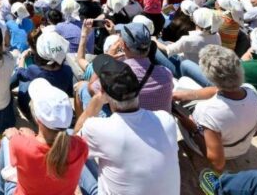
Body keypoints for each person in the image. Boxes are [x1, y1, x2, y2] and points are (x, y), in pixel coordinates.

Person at [76, 54, 180, 195]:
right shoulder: (166, 120)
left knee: (68, 138)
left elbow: (71, 144)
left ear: (104, 93)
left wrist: (92, 107)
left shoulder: (99, 129)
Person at [172, 45, 257, 173]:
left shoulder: (208, 111)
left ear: (211, 78)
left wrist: (193, 129)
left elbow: (218, 163)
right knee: (185, 83)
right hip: (241, 146)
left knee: (180, 88)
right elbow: (219, 90)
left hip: (224, 152)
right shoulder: (251, 90)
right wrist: (188, 95)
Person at [0, 79, 88, 195]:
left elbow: (29, 153)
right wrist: (31, 138)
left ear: (37, 118)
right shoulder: (82, 146)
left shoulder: (20, 144)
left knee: (6, 140)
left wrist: (18, 136)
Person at [12, 30, 74, 122]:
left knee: (21, 77)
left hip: (34, 111)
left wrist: (23, 57)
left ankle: (5, 89)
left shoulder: (34, 70)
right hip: (55, 108)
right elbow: (69, 92)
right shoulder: (68, 70)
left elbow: (20, 72)